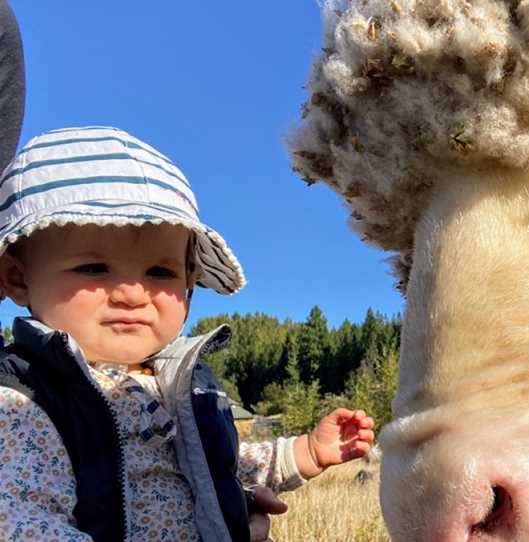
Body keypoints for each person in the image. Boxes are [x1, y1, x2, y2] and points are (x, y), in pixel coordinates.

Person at [0, 126, 376, 542]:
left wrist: (303, 452)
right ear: (18, 278)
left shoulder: (175, 386)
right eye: (94, 268)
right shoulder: (21, 401)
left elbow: (216, 462)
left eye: (160, 272)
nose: (132, 293)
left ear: (189, 286)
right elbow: (23, 523)